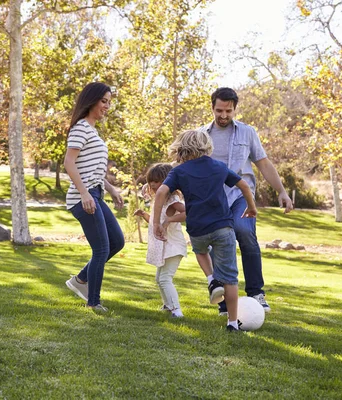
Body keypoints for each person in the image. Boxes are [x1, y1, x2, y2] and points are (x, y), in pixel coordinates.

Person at [153, 130, 257, 332]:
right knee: (231, 278)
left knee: (200, 251)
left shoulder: (179, 171)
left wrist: (157, 222)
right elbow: (244, 185)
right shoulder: (218, 166)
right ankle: (233, 323)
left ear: (182, 148)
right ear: (206, 146)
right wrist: (251, 207)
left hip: (198, 229)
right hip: (223, 227)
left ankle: (211, 279)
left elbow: (161, 193)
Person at [203, 87, 294, 314]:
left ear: (235, 109)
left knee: (244, 231)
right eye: (219, 110)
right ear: (212, 107)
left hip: (242, 195)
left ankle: (256, 293)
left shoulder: (247, 132)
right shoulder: (201, 135)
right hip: (214, 199)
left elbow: (263, 163)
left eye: (228, 111)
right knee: (220, 243)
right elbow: (187, 166)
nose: (223, 115)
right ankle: (225, 301)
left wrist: (281, 191)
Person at [63, 82, 125, 313]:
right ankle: (93, 301)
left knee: (117, 242)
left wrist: (110, 188)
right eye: (103, 101)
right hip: (83, 197)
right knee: (101, 249)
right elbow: (69, 163)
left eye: (109, 102)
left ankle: (79, 280)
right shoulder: (80, 128)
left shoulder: (92, 131)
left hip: (95, 194)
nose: (107, 106)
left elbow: (92, 170)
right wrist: (84, 193)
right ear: (91, 101)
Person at [134, 164, 187, 318]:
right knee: (159, 278)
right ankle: (168, 305)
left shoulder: (173, 200)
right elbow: (155, 222)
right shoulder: (160, 201)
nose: (152, 185)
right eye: (150, 181)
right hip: (165, 246)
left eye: (156, 181)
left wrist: (170, 220)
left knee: (165, 278)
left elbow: (188, 213)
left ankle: (176, 311)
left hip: (173, 246)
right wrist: (144, 214)